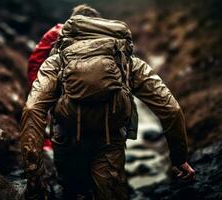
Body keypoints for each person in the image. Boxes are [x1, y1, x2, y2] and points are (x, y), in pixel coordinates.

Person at [20, 4, 195, 200]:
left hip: (67, 141)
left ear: (71, 28)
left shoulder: (56, 61)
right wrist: (179, 158)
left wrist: (33, 171)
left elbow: (32, 108)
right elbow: (171, 109)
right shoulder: (128, 62)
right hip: (109, 141)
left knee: (73, 193)